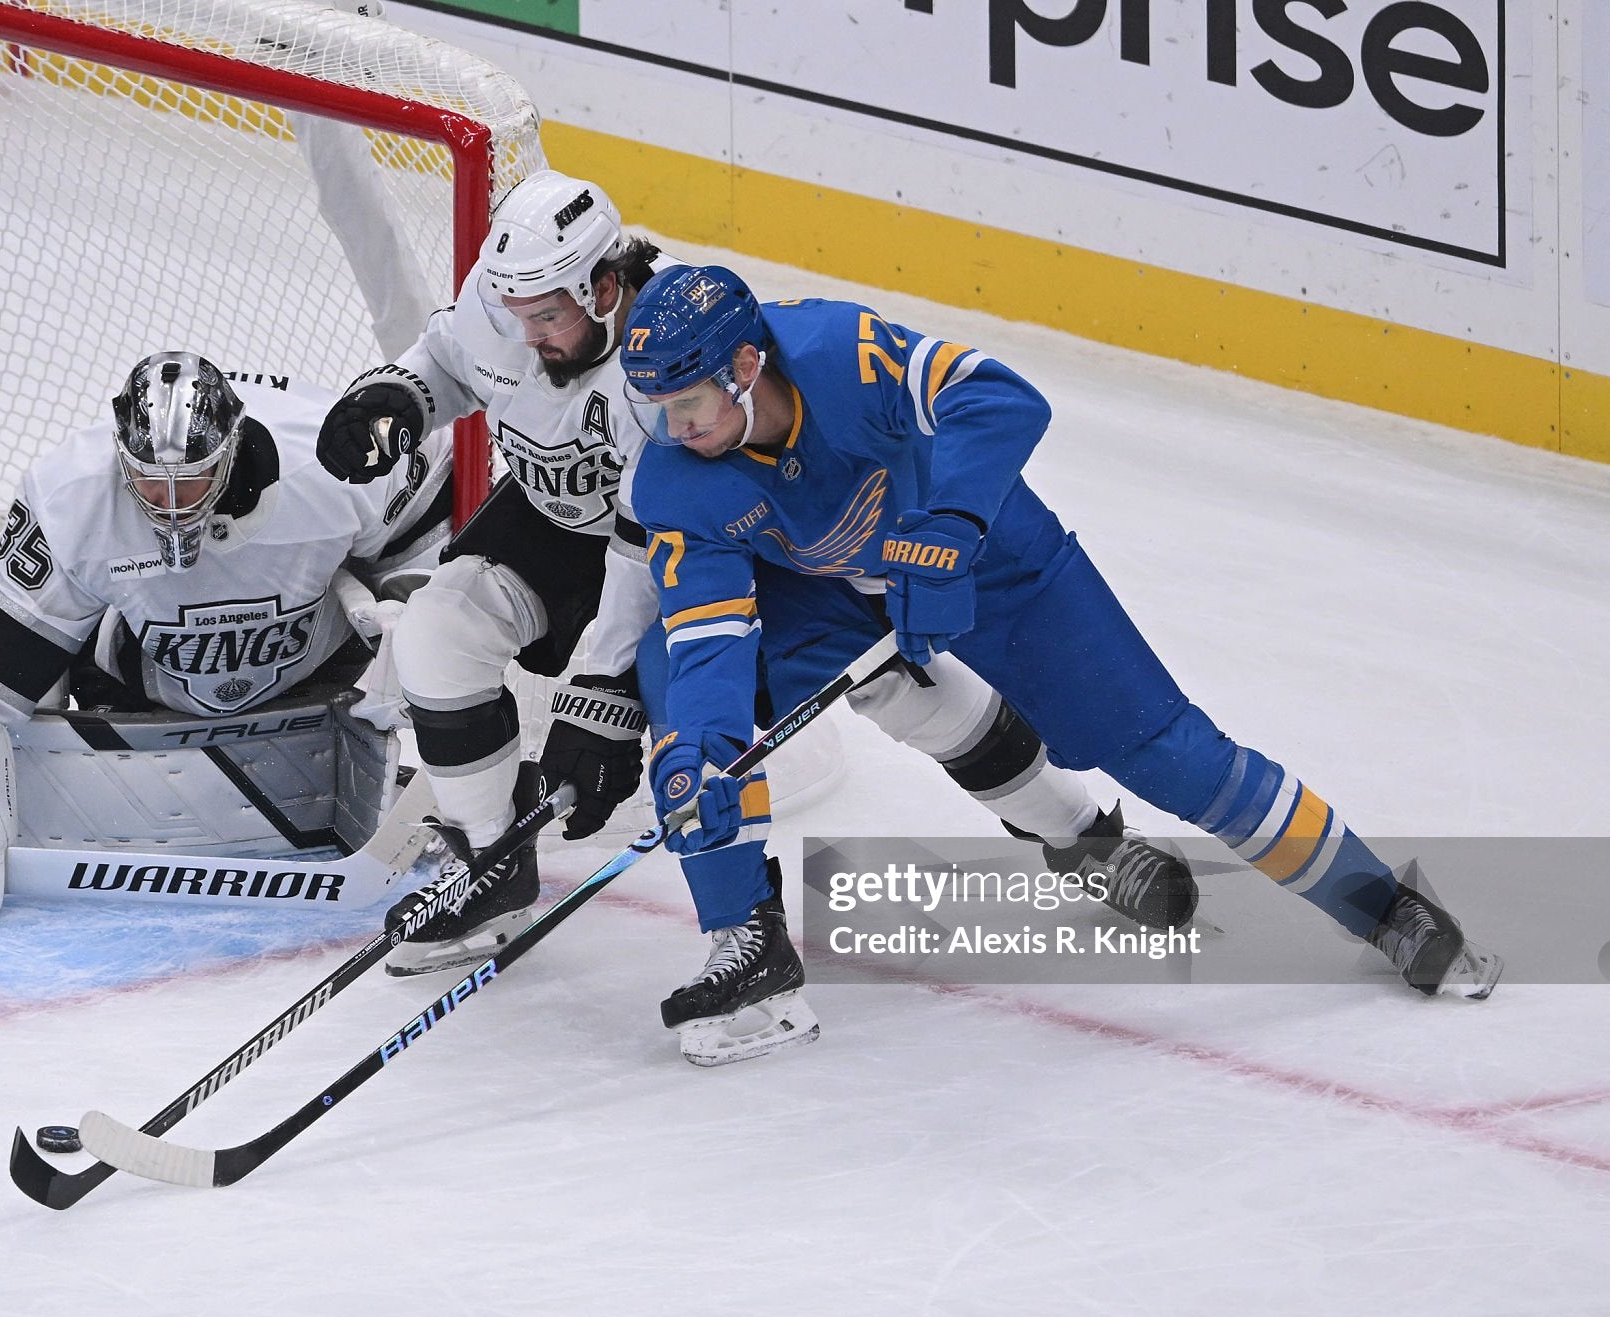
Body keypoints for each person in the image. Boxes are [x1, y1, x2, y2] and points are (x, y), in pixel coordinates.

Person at [314, 170, 1195, 979]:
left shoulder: (670, 354)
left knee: (889, 686)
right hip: (558, 514)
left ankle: (1081, 834)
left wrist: (602, 686)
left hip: (690, 542)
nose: (526, 333)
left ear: (604, 288)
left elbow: (647, 543)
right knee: (438, 634)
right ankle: (494, 865)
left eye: (546, 317)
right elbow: (454, 356)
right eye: (515, 312)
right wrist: (401, 392)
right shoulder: (513, 295)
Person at [619, 263, 1503, 1063]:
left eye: (687, 404)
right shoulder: (676, 478)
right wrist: (709, 746)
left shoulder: (841, 350)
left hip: (989, 555)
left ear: (745, 367)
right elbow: (707, 633)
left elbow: (999, 397)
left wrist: (951, 525)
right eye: (657, 409)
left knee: (1171, 755)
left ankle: (1380, 902)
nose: (673, 429)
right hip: (823, 593)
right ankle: (747, 935)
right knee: (680, 702)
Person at [0, 350, 452, 722]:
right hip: (136, 694)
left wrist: (417, 645)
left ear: (230, 450)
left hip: (322, 681)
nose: (172, 504)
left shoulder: (336, 460)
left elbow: (433, 550)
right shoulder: (73, 494)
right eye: (150, 482)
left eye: (191, 480)